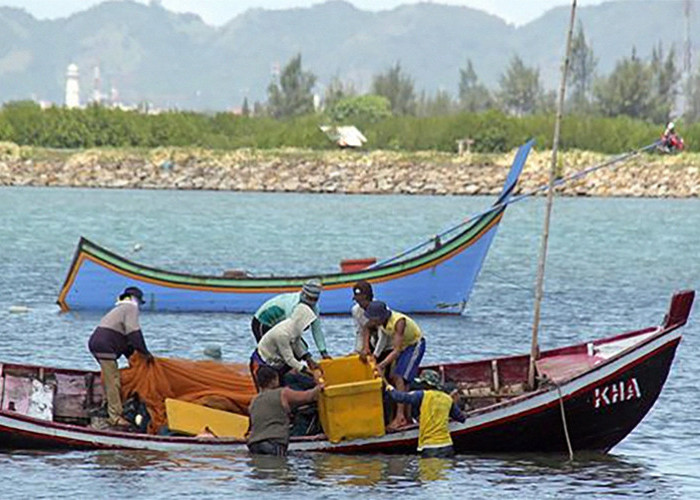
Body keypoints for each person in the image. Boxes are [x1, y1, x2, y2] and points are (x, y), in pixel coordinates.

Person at [87, 286, 154, 427]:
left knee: (110, 376)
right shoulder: (131, 308)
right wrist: (145, 352)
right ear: (136, 300)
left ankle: (108, 406)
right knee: (113, 380)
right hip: (105, 345)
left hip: (97, 342)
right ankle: (115, 417)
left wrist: (135, 356)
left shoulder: (120, 309)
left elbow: (125, 344)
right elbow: (134, 333)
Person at [362, 300, 426, 429]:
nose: (372, 322)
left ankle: (400, 417)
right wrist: (365, 347)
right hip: (403, 347)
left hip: (414, 345)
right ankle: (405, 416)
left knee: (399, 377)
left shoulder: (398, 322)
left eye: (373, 319)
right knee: (393, 377)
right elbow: (366, 327)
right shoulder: (377, 321)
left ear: (380, 317)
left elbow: (396, 351)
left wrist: (381, 365)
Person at [385, 370, 466, 458]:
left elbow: (398, 397)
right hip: (447, 446)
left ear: (426, 384)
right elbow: (461, 418)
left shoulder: (422, 395)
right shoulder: (447, 399)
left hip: (430, 447)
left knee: (428, 471)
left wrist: (389, 387)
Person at [247, 365, 323, 456]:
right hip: (273, 444)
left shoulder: (254, 401)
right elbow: (308, 396)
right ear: (274, 380)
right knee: (280, 468)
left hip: (253, 445)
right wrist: (320, 386)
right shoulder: (282, 393)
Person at [252, 279, 330, 359]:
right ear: (304, 295)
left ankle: (285, 370)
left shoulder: (314, 308)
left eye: (314, 300)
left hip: (278, 325)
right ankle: (259, 365)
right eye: (309, 299)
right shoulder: (292, 306)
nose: (310, 303)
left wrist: (323, 352)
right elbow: (289, 335)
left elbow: (317, 330)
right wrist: (307, 357)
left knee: (302, 349)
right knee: (273, 351)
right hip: (262, 322)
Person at [250, 302, 320, 390]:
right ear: (301, 321)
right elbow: (289, 359)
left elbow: (297, 345)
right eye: (307, 323)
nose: (308, 326)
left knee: (302, 381)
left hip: (278, 362)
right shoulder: (283, 334)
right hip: (265, 362)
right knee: (275, 389)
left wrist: (308, 359)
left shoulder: (294, 328)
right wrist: (307, 371)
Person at [351, 280, 391, 361]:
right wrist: (358, 351)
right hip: (372, 343)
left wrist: (375, 356)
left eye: (362, 300)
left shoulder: (381, 309)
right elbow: (360, 332)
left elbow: (383, 336)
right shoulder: (356, 310)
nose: (360, 304)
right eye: (357, 301)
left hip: (388, 345)